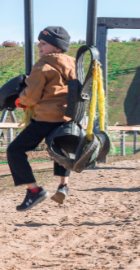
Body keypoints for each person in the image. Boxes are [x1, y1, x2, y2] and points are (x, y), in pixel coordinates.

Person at [8, 26, 75, 211]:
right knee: (59, 149)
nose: (39, 46)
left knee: (15, 150)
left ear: (57, 47)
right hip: (67, 117)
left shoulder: (42, 65)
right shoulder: (75, 64)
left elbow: (32, 95)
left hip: (46, 117)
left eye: (44, 43)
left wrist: (20, 101)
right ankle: (63, 185)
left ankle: (34, 190)